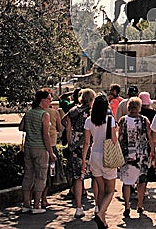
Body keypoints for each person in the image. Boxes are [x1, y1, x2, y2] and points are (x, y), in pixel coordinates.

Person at [82, 92, 117, 229]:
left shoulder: (88, 120)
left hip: (94, 156)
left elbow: (86, 143)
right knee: (110, 190)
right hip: (107, 156)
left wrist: (84, 161)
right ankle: (101, 213)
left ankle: (101, 215)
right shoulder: (110, 119)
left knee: (100, 189)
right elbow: (114, 140)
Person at [18, 89, 56, 214]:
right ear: (42, 100)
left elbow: (21, 127)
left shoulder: (29, 112)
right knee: (41, 176)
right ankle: (36, 205)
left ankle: (26, 204)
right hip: (40, 148)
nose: (50, 101)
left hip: (28, 147)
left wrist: (31, 128)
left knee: (28, 175)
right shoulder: (44, 114)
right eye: (49, 99)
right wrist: (51, 152)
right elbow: (45, 135)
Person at [118, 97, 155, 217]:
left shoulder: (123, 120)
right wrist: (153, 150)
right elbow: (150, 137)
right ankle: (139, 205)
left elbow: (120, 138)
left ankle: (127, 206)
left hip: (126, 155)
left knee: (127, 182)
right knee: (142, 180)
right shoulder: (144, 120)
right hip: (141, 155)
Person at [66, 88, 96, 218]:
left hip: (76, 145)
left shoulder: (73, 111)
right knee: (95, 176)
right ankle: (97, 205)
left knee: (78, 177)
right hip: (91, 144)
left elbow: (65, 122)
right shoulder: (93, 112)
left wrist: (70, 140)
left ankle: (78, 207)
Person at [41, 89, 66, 208]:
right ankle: (44, 198)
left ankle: (35, 199)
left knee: (38, 174)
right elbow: (60, 128)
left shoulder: (35, 111)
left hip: (38, 145)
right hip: (51, 144)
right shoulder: (53, 112)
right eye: (50, 99)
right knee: (50, 174)